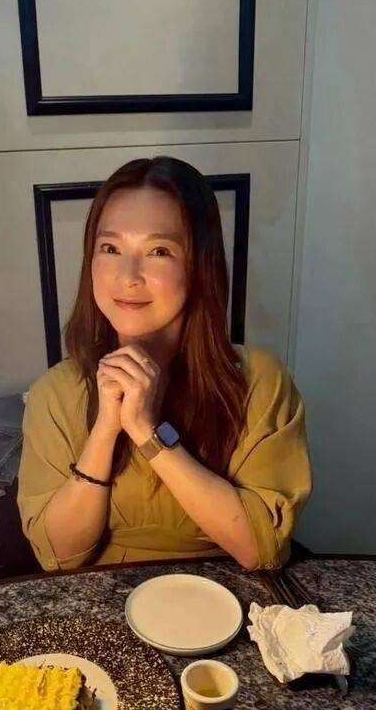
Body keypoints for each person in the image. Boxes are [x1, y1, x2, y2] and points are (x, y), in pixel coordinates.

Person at [17, 156, 312, 573]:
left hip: (226, 593)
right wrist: (106, 430)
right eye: (110, 248)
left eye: (159, 251)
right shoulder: (55, 393)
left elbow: (261, 551)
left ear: (199, 267)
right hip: (103, 596)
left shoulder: (261, 381)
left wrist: (147, 430)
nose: (128, 276)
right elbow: (58, 557)